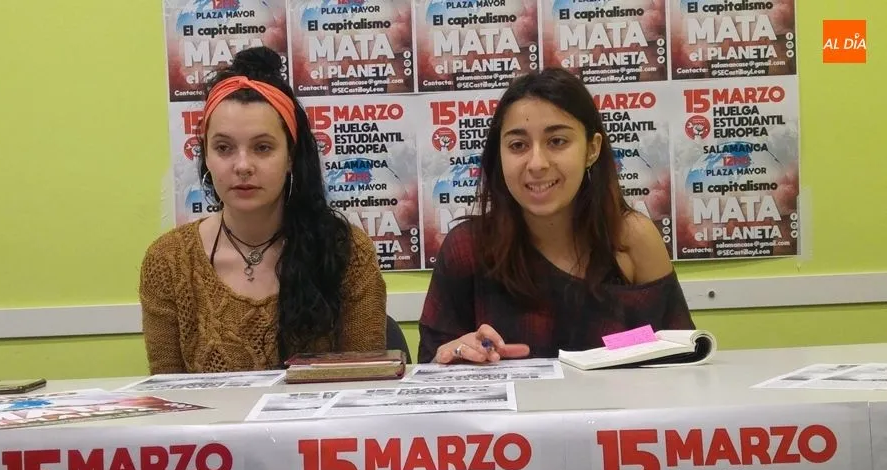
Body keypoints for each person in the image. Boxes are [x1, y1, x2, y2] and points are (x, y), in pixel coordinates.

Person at [418, 68, 695, 364]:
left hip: (612, 408)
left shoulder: (631, 238)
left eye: (557, 142)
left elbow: (676, 350)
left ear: (592, 149)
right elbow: (428, 371)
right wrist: (456, 353)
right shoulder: (467, 248)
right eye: (518, 145)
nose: (536, 163)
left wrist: (611, 349)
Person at [139, 47, 387, 374]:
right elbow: (171, 400)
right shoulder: (168, 262)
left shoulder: (346, 252)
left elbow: (363, 388)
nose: (243, 166)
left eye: (263, 148)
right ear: (206, 157)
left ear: (290, 157)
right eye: (224, 148)